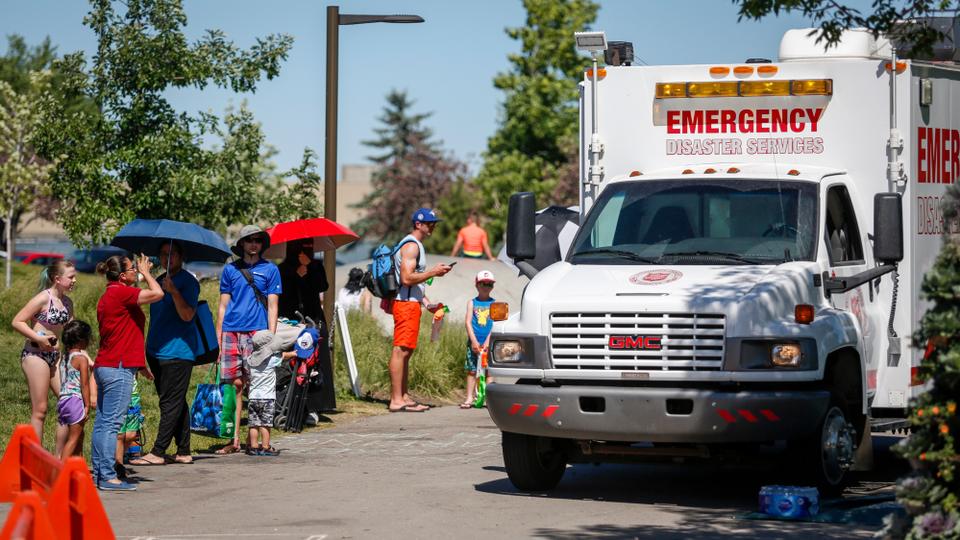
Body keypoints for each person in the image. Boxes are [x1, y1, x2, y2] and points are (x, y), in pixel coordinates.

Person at [92, 253, 162, 491]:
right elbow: (158, 294)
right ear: (123, 275)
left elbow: (126, 330)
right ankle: (109, 476)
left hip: (109, 364)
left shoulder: (111, 294)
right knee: (111, 425)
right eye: (133, 269)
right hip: (117, 368)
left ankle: (100, 474)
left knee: (103, 424)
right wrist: (148, 273)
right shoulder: (120, 293)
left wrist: (140, 364)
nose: (137, 271)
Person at [216, 225, 281, 454]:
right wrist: (218, 338)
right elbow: (223, 306)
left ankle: (254, 440)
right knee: (234, 387)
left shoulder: (271, 269)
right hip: (231, 331)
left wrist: (270, 338)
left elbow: (273, 305)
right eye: (249, 240)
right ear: (241, 243)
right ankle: (232, 439)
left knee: (258, 386)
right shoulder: (230, 270)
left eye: (258, 240)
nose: (254, 244)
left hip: (258, 334)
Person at [134, 241, 199, 465]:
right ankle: (184, 451)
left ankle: (158, 452)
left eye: (171, 255)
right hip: (156, 351)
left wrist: (174, 292)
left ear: (181, 257)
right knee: (174, 401)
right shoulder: (159, 281)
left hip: (179, 352)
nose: (166, 259)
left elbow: (188, 316)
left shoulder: (188, 282)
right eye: (162, 255)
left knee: (170, 403)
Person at [389, 208, 453, 413]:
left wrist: (426, 303)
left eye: (434, 223)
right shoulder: (411, 246)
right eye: (430, 223)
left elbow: (412, 283)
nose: (433, 226)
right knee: (400, 350)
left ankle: (404, 396)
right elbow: (407, 278)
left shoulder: (416, 246)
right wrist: (433, 272)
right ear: (418, 224)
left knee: (407, 351)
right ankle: (396, 399)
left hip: (411, 303)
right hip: (405, 305)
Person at [11, 260, 77, 455]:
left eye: (75, 276)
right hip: (35, 355)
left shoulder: (67, 303)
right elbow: (17, 321)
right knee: (40, 409)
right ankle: (36, 456)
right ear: (58, 279)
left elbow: (69, 331)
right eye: (71, 277)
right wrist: (38, 338)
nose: (75, 280)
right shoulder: (42, 298)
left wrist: (80, 353)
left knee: (68, 404)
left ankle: (59, 458)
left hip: (56, 357)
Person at [277, 239, 336, 413]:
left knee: (317, 363)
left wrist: (309, 268)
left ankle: (318, 405)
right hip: (291, 322)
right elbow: (283, 294)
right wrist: (297, 275)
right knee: (295, 363)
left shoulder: (316, 266)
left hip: (313, 318)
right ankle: (292, 405)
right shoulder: (282, 269)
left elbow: (322, 286)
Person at [461, 271, 496, 409]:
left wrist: (488, 342)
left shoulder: (495, 304)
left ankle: (487, 398)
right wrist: (474, 341)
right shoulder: (472, 303)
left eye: (489, 284)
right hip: (474, 342)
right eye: (483, 283)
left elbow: (495, 324)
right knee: (472, 370)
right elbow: (468, 322)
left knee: (488, 371)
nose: (486, 286)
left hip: (489, 344)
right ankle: (470, 397)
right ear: (477, 285)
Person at [58, 319, 92, 460]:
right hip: (75, 400)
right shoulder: (81, 359)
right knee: (73, 439)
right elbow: (84, 384)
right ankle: (62, 472)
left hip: (63, 401)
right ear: (81, 340)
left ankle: (77, 466)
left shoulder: (65, 357)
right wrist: (87, 404)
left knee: (79, 435)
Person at [245, 331, 283, 456]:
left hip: (253, 398)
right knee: (265, 424)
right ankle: (266, 447)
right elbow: (284, 356)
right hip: (267, 398)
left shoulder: (250, 361)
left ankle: (254, 446)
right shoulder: (273, 360)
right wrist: (294, 353)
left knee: (253, 424)